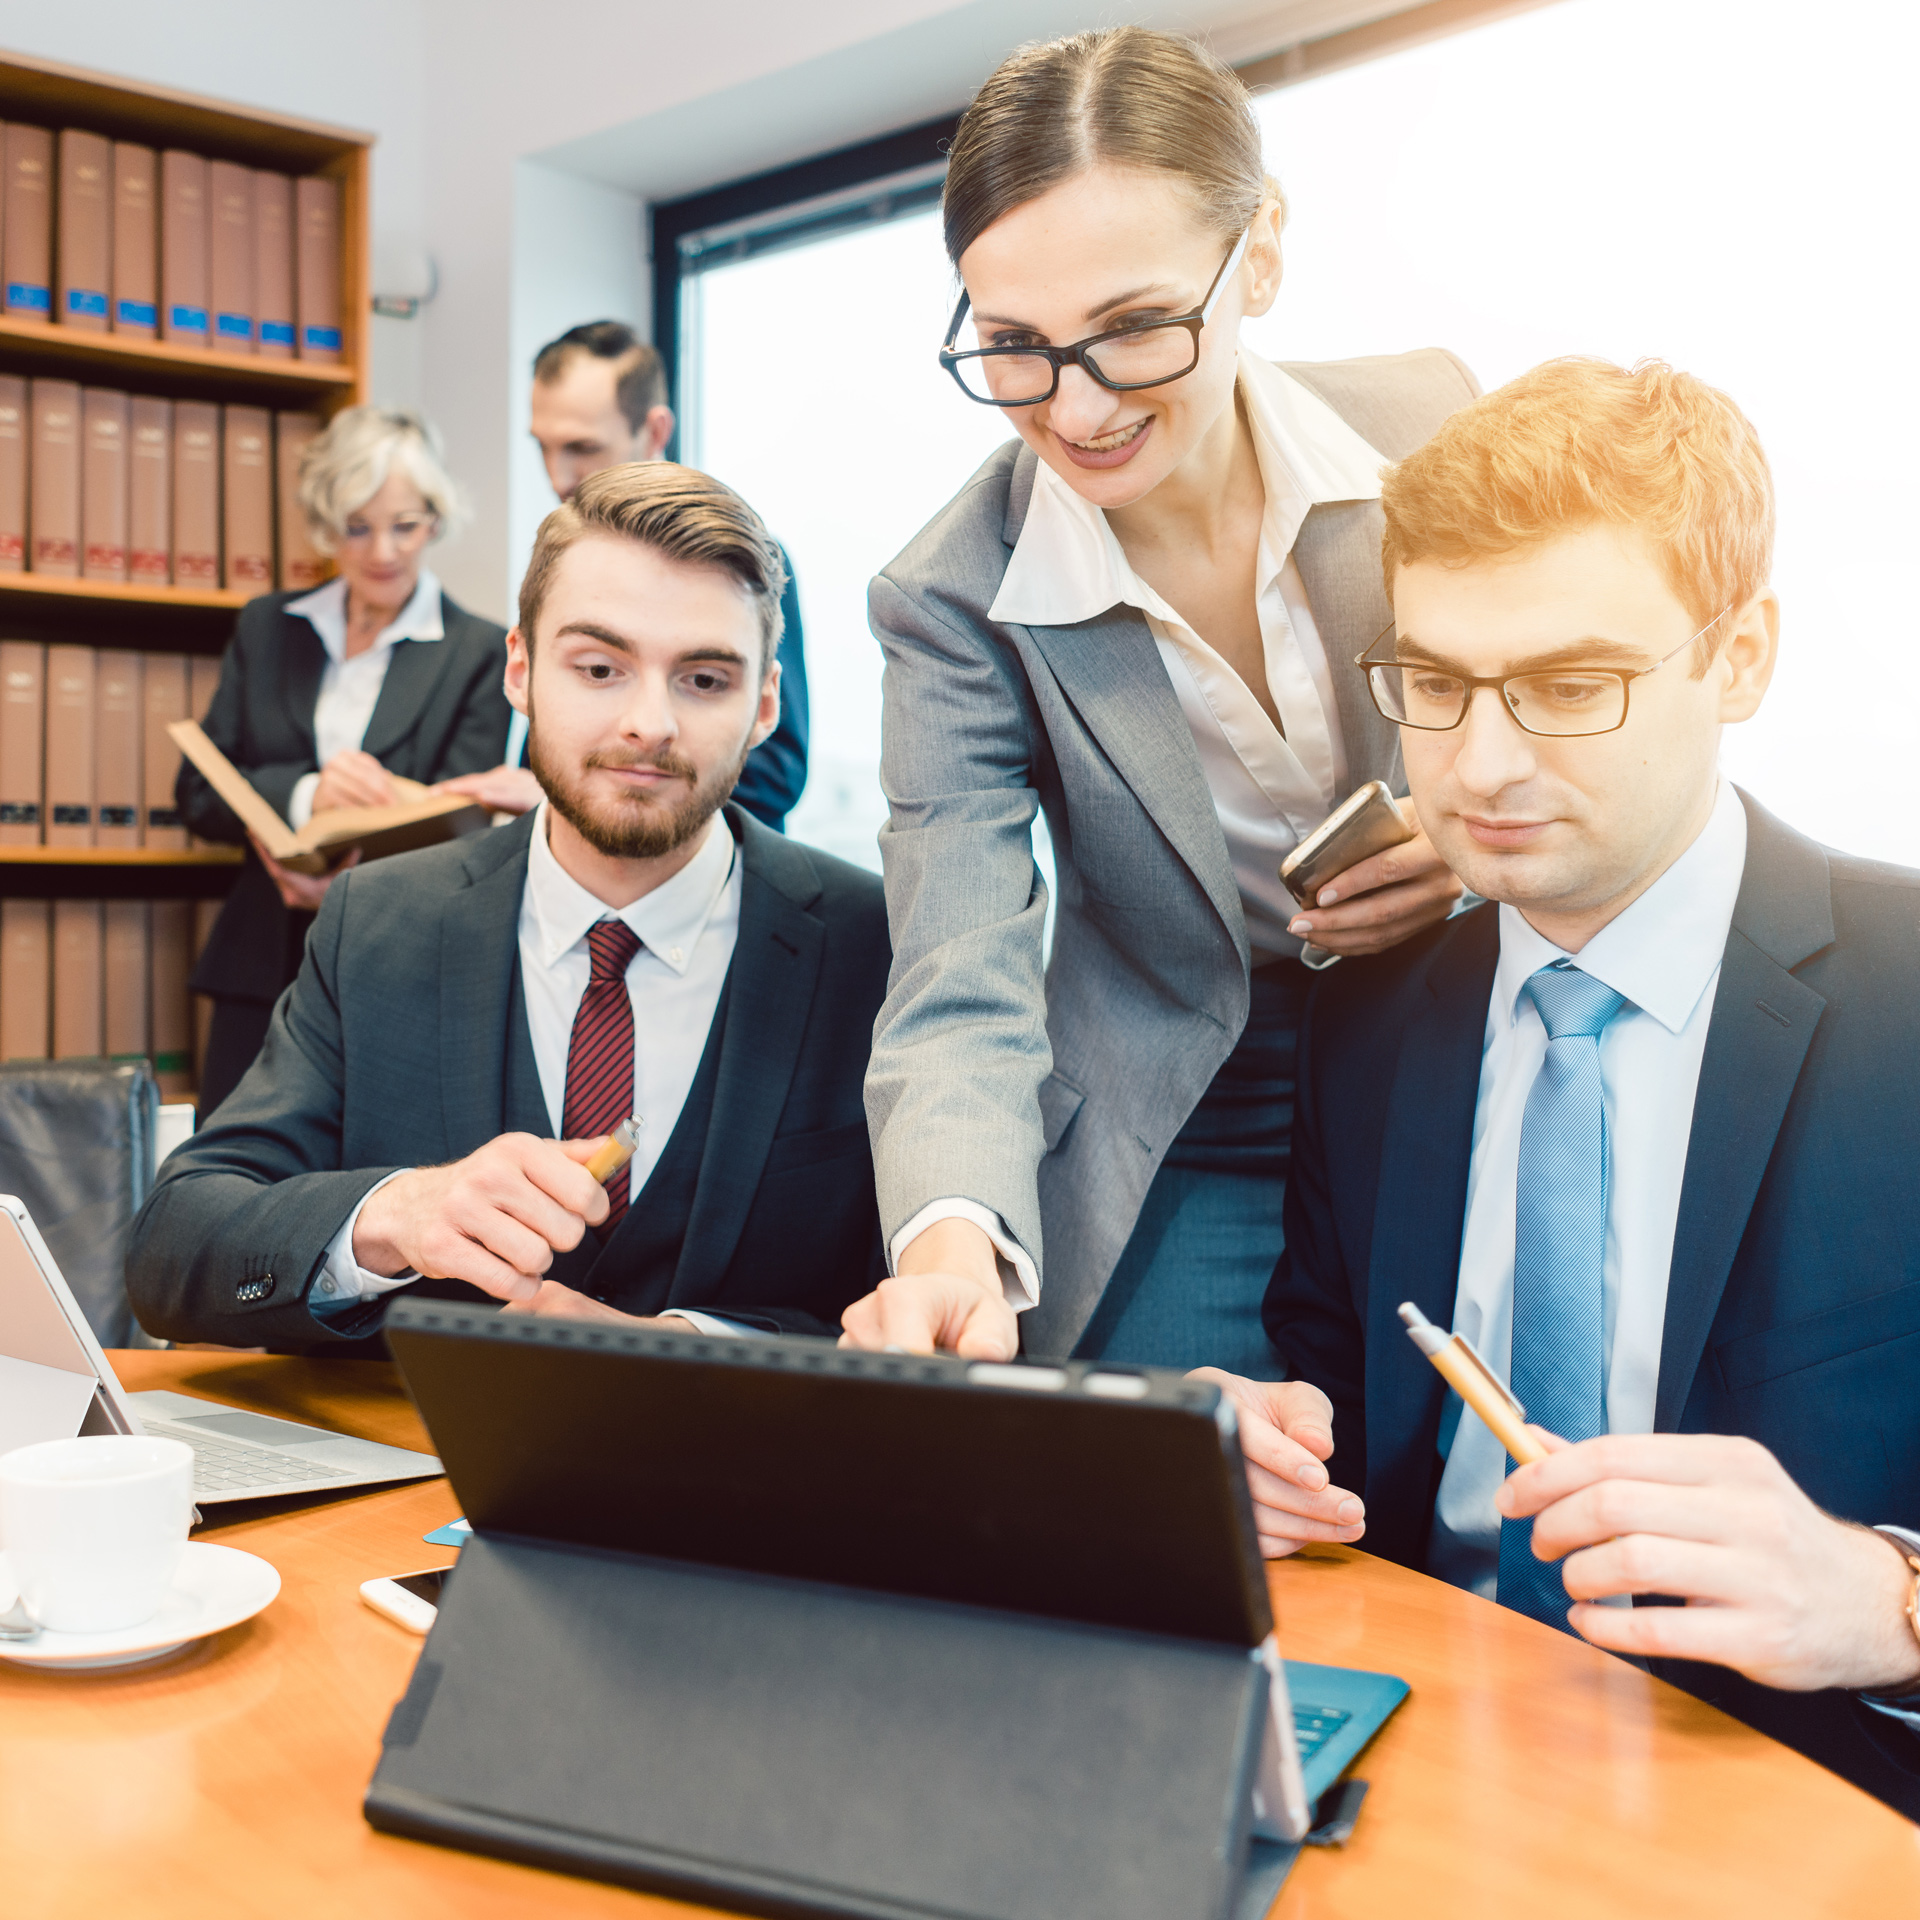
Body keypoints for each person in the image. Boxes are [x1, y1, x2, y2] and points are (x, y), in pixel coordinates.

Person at [1207, 358, 1920, 1820]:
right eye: (1436, 684)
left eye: (1570, 686)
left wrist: (1887, 1598)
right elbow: (1328, 1393)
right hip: (1409, 1754)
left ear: (1742, 657)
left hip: (1803, 1789)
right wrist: (1255, 1455)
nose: (1479, 764)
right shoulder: (1365, 1023)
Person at [839, 27, 1473, 1371]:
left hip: (1463, 1049)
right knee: (1187, 1520)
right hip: (1193, 1108)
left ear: (1264, 256)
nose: (1076, 410)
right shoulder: (949, 598)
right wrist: (949, 1232)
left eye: (1133, 328)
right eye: (1014, 345)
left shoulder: (1434, 431)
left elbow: (1584, 724)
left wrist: (1466, 839)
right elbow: (959, 960)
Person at [130, 463, 888, 1349]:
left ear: (764, 705)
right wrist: (393, 1214)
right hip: (417, 1477)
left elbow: (932, 1304)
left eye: (705, 680)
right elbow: (174, 1250)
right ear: (521, 672)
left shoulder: (874, 944)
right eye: (600, 666)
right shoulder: (376, 923)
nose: (650, 722)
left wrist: (694, 1350)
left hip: (750, 1480)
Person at [179, 406, 510, 1115]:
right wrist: (306, 798)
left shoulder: (480, 651)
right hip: (260, 956)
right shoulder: (269, 626)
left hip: (399, 962)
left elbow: (468, 826)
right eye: (357, 528)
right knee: (224, 1183)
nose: (383, 551)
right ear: (327, 525)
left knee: (361, 1184)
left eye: (406, 525)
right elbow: (199, 792)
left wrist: (359, 855)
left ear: (436, 519)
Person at [447, 321, 809, 830]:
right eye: (543, 447)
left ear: (655, 431)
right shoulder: (566, 554)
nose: (557, 477)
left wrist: (598, 785)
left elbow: (776, 775)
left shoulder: (738, 567)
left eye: (583, 448)